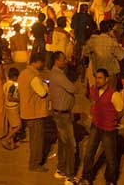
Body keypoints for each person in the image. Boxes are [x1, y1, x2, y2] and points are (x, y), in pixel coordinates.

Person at [79, 68, 124, 185]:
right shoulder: (94, 89)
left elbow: (121, 110)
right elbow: (93, 101)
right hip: (95, 126)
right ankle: (87, 177)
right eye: (96, 78)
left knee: (110, 158)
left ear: (106, 79)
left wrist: (113, 121)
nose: (97, 80)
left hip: (108, 130)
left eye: (100, 78)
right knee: (89, 153)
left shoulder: (114, 94)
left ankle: (110, 180)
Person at [48, 51, 78, 182]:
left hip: (60, 113)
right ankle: (70, 175)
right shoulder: (59, 76)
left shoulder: (56, 74)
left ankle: (60, 169)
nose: (65, 61)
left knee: (62, 142)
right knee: (70, 145)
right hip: (63, 115)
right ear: (57, 61)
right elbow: (73, 89)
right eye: (63, 59)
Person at [17, 53, 49, 172]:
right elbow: (42, 93)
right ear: (36, 62)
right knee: (37, 140)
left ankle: (34, 162)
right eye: (42, 62)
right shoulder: (34, 77)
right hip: (35, 112)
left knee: (34, 139)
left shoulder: (24, 73)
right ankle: (35, 164)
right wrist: (46, 86)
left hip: (27, 111)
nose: (43, 65)